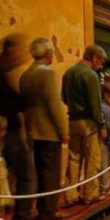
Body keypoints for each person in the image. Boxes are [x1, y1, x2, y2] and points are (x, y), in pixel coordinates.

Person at [19, 37, 69, 219]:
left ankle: (41, 210)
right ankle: (49, 211)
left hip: (32, 131)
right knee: (50, 174)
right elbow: (54, 105)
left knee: (39, 173)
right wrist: (64, 131)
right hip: (48, 132)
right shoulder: (47, 73)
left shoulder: (26, 75)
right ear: (48, 53)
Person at [62, 45, 107, 205]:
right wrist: (101, 125)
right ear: (94, 57)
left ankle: (71, 195)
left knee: (73, 160)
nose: (101, 66)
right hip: (88, 122)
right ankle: (90, 194)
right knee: (92, 159)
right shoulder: (90, 75)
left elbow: (63, 98)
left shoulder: (68, 73)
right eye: (100, 61)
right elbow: (95, 104)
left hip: (72, 120)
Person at [0, 33, 37, 220]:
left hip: (11, 134)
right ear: (10, 51)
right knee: (25, 178)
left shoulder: (10, 73)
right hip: (8, 135)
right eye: (21, 50)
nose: (23, 56)